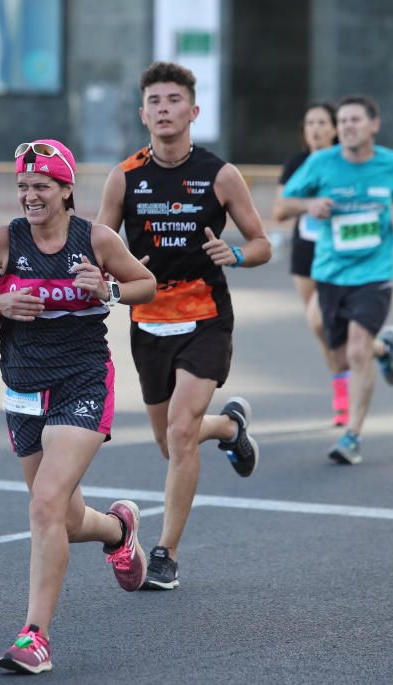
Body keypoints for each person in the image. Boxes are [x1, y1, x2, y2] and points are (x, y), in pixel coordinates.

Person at [0, 139, 156, 674]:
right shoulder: (5, 240)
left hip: (82, 380)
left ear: (67, 191)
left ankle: (34, 636)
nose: (30, 196)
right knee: (62, 517)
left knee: (44, 505)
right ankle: (118, 530)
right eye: (22, 187)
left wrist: (107, 290)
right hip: (23, 386)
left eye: (41, 186)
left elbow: (147, 284)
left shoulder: (96, 239)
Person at [96, 61, 272, 590]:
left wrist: (236, 253)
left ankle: (166, 553)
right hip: (148, 322)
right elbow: (99, 245)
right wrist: (107, 271)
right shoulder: (124, 176)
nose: (164, 108)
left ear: (193, 111)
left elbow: (262, 243)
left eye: (174, 100)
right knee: (173, 444)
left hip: (204, 321)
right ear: (142, 111)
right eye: (154, 100)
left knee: (179, 430)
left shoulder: (221, 174)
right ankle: (231, 427)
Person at [279, 95, 393, 465]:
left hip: (375, 273)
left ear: (374, 125)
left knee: (355, 349)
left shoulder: (391, 164)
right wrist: (309, 206)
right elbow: (284, 204)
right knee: (339, 354)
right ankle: (383, 347)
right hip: (331, 272)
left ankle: (352, 435)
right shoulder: (321, 163)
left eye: (356, 120)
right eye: (345, 121)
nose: (349, 126)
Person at [272, 102, 345, 425]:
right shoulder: (297, 164)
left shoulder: (347, 161)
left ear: (335, 128)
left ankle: (351, 377)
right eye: (309, 123)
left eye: (322, 123)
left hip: (342, 251)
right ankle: (347, 380)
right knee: (323, 329)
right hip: (306, 252)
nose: (315, 129)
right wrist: (308, 204)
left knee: (321, 320)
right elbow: (279, 211)